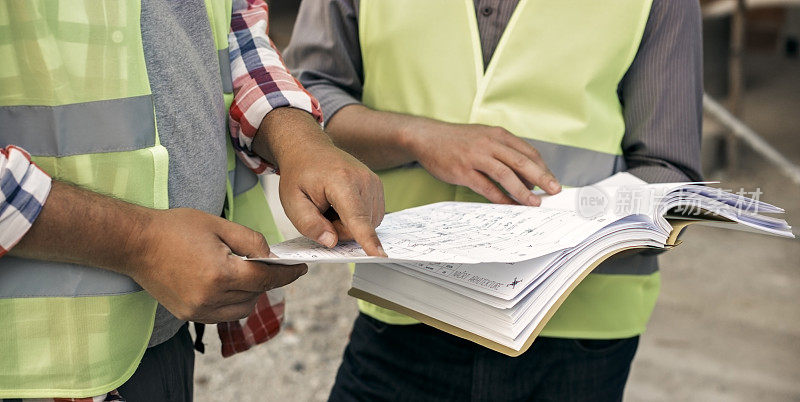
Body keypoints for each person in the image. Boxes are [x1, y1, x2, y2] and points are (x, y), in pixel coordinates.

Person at [285, 0, 704, 400]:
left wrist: (557, 237)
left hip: (578, 336)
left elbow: (667, 170)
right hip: (407, 309)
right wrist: (417, 136)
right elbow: (300, 107)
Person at [0, 0, 385, 400]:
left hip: (160, 345)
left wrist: (299, 140)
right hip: (33, 375)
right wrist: (140, 243)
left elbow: (233, 27)